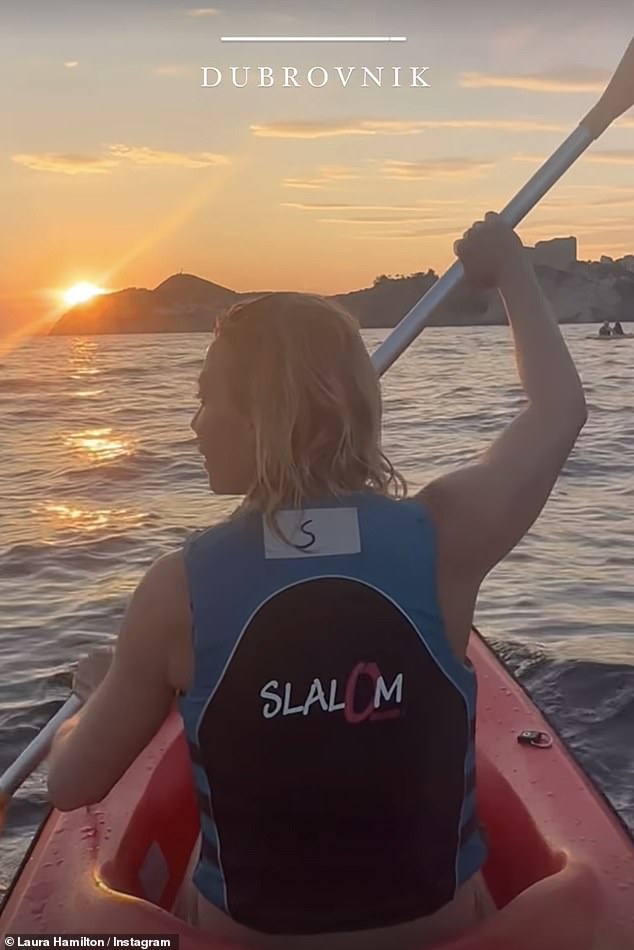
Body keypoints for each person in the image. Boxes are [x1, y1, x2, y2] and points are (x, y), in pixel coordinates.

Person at [47, 213, 587, 950]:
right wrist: (510, 270)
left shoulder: (178, 592)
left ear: (262, 419)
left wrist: (98, 699)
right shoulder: (446, 538)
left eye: (209, 398)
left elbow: (72, 785)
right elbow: (558, 411)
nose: (194, 423)